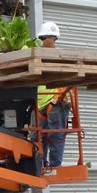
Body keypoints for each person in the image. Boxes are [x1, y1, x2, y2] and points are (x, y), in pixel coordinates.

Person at [36, 21, 70, 168]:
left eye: (45, 38)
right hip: (39, 102)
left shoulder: (60, 57)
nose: (42, 41)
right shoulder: (37, 55)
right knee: (37, 137)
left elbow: (70, 79)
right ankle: (40, 164)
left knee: (55, 135)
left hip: (55, 102)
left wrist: (57, 99)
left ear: (53, 38)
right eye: (41, 38)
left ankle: (55, 166)